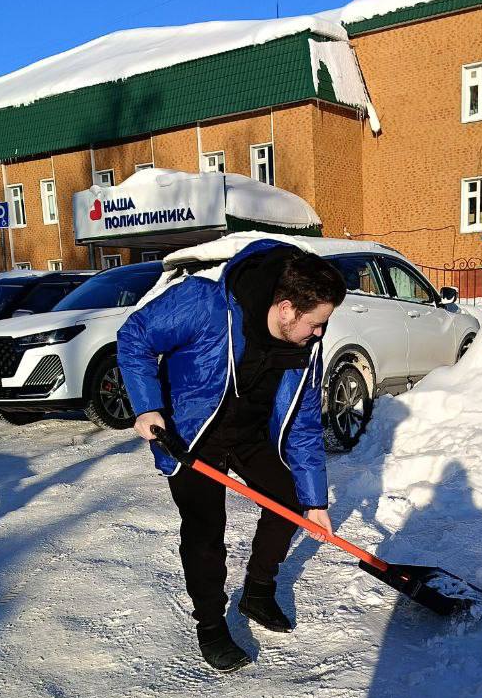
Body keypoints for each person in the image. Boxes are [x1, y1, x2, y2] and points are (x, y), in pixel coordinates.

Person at [117, 239, 346, 673]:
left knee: (287, 498)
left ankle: (258, 590)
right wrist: (147, 406)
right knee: (205, 530)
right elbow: (135, 336)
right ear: (285, 308)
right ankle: (210, 624)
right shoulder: (206, 305)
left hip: (248, 433)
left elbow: (303, 425)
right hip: (191, 434)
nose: (319, 334)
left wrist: (315, 503)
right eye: (314, 323)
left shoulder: (301, 350)